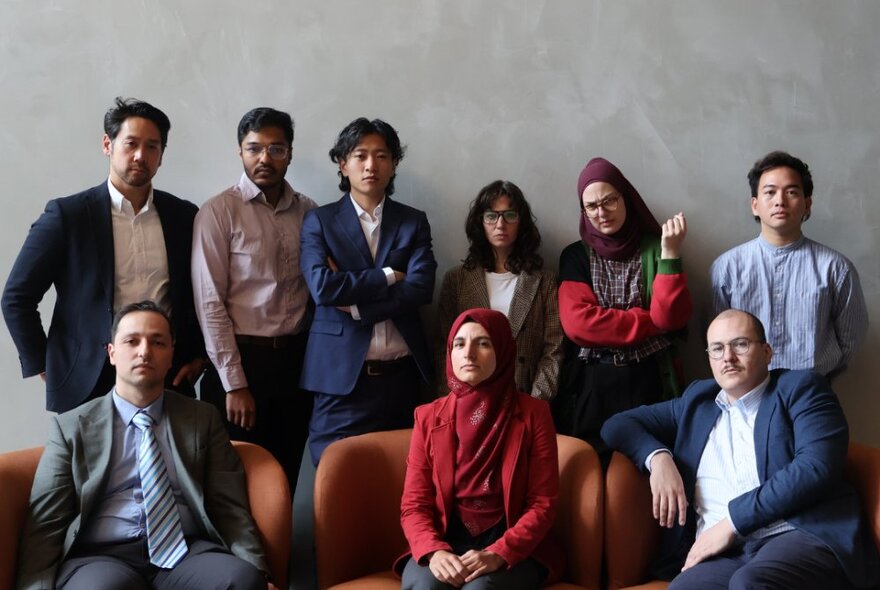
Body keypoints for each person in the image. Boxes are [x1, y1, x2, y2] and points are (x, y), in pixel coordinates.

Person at [601, 309, 880, 589]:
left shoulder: (801, 389)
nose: (728, 357)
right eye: (717, 349)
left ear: (767, 352)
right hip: (725, 554)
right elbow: (617, 425)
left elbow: (815, 468)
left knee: (751, 583)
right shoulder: (697, 400)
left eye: (740, 344)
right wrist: (658, 459)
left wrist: (732, 522)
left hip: (795, 534)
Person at [16, 301, 274, 590]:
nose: (144, 351)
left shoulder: (203, 419)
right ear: (112, 353)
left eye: (158, 342)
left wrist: (259, 572)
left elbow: (230, 507)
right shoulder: (71, 427)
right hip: (100, 555)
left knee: (241, 580)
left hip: (186, 552)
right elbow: (46, 523)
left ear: (171, 356)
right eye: (131, 341)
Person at [2, 97, 205, 414]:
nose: (140, 155)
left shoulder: (184, 216)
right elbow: (17, 296)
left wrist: (197, 354)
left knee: (168, 463)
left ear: (162, 155)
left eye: (152, 146)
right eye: (131, 143)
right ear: (107, 145)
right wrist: (44, 363)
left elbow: (198, 292)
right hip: (85, 376)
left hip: (165, 374)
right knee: (88, 464)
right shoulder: (67, 216)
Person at [192, 107, 316, 493]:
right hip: (241, 363)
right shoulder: (219, 212)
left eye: (276, 148)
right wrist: (234, 384)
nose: (265, 158)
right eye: (254, 148)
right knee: (235, 483)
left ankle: (278, 556)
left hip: (296, 364)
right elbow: (210, 303)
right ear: (240, 153)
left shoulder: (309, 212)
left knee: (285, 477)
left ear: (290, 153)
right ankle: (236, 556)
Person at [299, 117, 437, 464]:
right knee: (336, 487)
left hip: (402, 379)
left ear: (394, 165)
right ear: (343, 164)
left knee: (404, 488)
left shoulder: (413, 220)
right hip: (341, 383)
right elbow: (323, 287)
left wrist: (359, 307)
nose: (370, 165)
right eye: (360, 155)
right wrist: (389, 275)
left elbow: (421, 287)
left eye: (381, 156)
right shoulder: (320, 220)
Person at [397, 308, 563, 589]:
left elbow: (542, 504)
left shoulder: (534, 413)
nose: (468, 353)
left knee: (481, 589)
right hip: (444, 538)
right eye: (459, 344)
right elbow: (414, 504)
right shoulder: (427, 417)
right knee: (425, 586)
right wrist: (433, 550)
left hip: (511, 542)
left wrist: (500, 552)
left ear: (502, 351)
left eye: (483, 343)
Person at [556, 157, 691, 466]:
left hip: (651, 380)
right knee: (591, 472)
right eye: (591, 206)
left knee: (655, 466)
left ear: (625, 197)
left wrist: (670, 254)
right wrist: (650, 321)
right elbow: (580, 325)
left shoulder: (657, 247)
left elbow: (673, 317)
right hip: (594, 384)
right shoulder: (575, 256)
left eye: (609, 201)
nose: (601, 213)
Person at [711, 150, 868, 379]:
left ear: (807, 204)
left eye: (792, 192)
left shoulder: (836, 268)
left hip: (813, 389)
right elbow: (717, 338)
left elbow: (850, 340)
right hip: (747, 389)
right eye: (770, 192)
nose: (780, 201)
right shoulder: (726, 268)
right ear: (755, 205)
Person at [437, 180, 562, 401]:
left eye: (510, 215)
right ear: (480, 222)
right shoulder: (457, 279)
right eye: (491, 216)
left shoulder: (544, 281)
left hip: (523, 396)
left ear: (521, 222)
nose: (500, 224)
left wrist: (535, 405)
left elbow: (553, 350)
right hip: (468, 400)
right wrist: (455, 403)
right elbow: (443, 349)